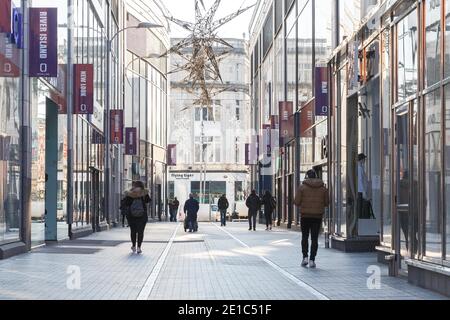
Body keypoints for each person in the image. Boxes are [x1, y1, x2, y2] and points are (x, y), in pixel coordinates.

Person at [294, 169, 329, 268]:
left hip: (305, 216)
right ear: (316, 176)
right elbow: (327, 202)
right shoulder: (323, 188)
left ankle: (305, 257)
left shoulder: (302, 188)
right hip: (317, 217)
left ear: (307, 176)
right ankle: (312, 260)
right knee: (314, 239)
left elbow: (296, 202)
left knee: (304, 237)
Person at [121, 181, 151, 254]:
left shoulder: (130, 193)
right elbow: (148, 201)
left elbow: (126, 203)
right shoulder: (144, 192)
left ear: (134, 186)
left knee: (133, 231)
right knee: (141, 232)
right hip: (142, 215)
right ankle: (139, 248)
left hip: (131, 215)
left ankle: (133, 246)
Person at [357, 153, 370, 219]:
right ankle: (359, 222)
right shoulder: (359, 168)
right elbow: (360, 181)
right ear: (361, 159)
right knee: (360, 209)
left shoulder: (360, 168)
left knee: (361, 209)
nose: (365, 160)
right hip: (360, 192)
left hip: (361, 192)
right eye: (364, 159)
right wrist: (363, 192)